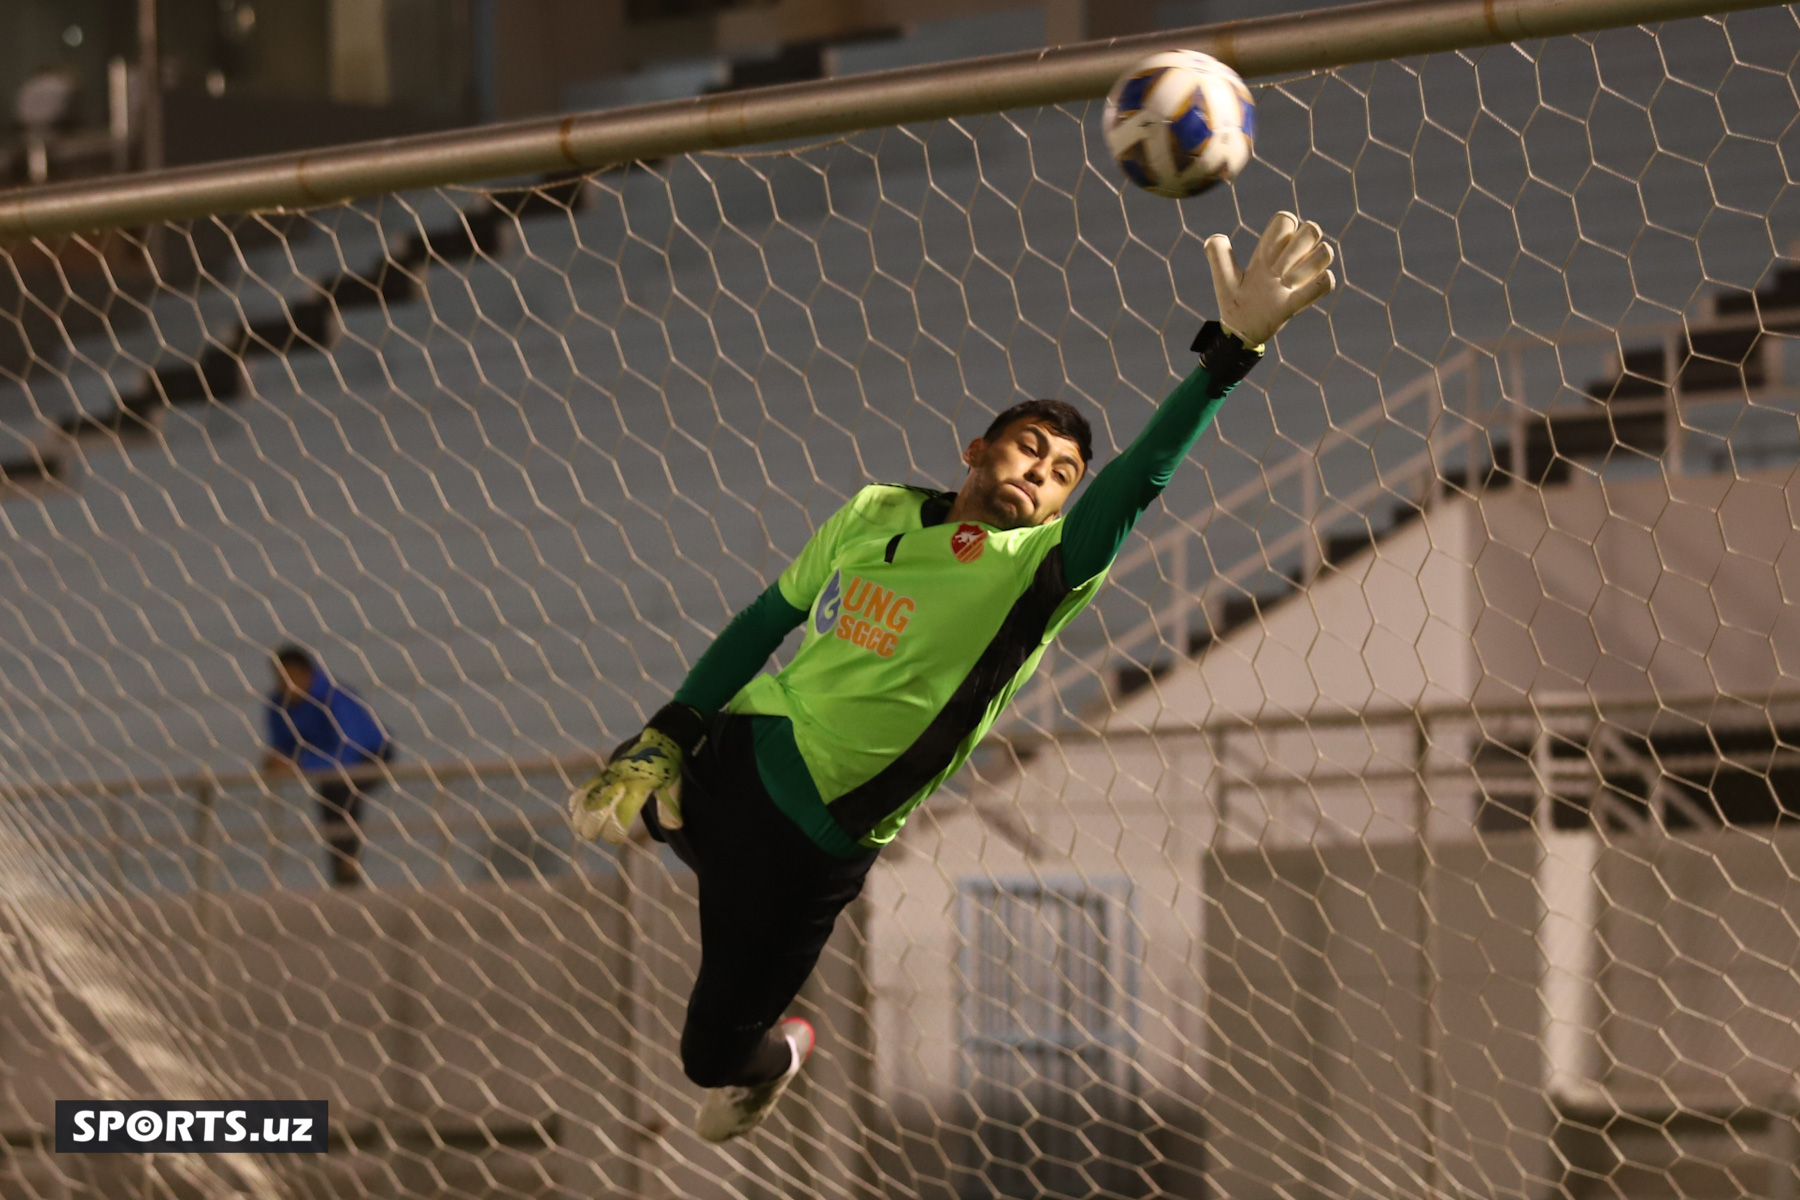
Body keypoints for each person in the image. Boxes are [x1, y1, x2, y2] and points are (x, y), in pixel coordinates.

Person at [570, 212, 1336, 1142]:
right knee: (628, 769)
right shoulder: (874, 512)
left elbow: (1139, 478)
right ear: (976, 450)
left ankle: (786, 1048)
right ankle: (675, 800)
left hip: (812, 846)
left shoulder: (1043, 572)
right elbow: (762, 622)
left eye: (1062, 473)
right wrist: (669, 732)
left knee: (710, 1062)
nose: (1044, 473)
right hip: (740, 746)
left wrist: (1230, 354)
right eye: (1028, 448)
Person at [263, 644, 392, 887]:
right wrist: (276, 760)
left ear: (306, 673)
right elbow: (282, 745)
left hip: (370, 755)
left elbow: (349, 748)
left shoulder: (335, 697)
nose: (285, 684)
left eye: (290, 677)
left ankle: (348, 866)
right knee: (330, 800)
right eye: (280, 678)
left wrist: (301, 765)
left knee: (342, 792)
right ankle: (342, 872)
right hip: (324, 763)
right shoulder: (278, 704)